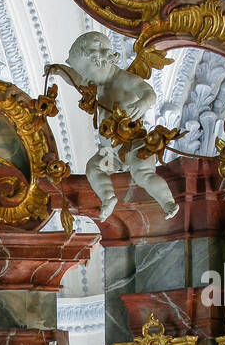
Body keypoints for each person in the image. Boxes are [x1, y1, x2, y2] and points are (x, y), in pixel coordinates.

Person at [50, 32, 180, 222]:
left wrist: (143, 103)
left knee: (142, 174)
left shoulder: (123, 79)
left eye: (87, 71)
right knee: (94, 168)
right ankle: (108, 198)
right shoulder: (97, 82)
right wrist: (60, 70)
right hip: (111, 153)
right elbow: (77, 80)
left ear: (100, 61)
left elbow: (148, 92)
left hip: (135, 146)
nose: (86, 77)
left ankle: (167, 202)